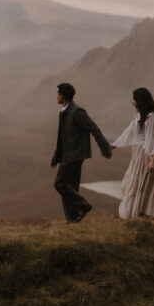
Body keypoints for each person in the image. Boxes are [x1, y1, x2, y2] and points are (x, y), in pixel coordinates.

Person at [50, 82, 112, 223]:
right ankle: (72, 220)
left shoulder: (77, 112)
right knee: (70, 188)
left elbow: (94, 129)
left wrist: (105, 148)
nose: (57, 96)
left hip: (74, 156)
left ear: (63, 96)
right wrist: (55, 158)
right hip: (68, 156)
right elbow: (61, 138)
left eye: (58, 93)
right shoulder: (65, 112)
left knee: (60, 184)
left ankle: (83, 205)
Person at [111, 87, 154, 219]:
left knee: (143, 184)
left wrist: (153, 160)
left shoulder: (151, 118)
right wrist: (113, 146)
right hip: (136, 156)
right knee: (131, 183)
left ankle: (141, 213)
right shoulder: (138, 116)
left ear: (139, 101)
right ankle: (135, 212)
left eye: (134, 99)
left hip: (146, 155)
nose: (132, 102)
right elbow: (128, 133)